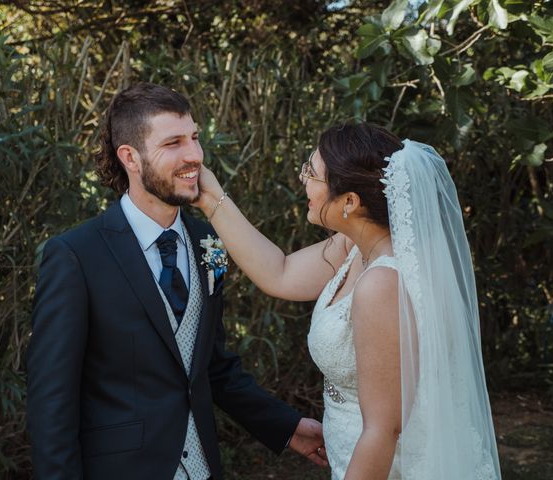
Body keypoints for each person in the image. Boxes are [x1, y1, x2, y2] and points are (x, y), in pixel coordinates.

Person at [26, 82, 327, 480]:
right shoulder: (76, 256)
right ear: (130, 157)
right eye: (173, 143)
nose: (195, 156)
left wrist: (287, 427)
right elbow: (52, 399)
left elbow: (212, 367)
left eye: (195, 138)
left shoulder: (209, 242)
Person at [194, 122, 502, 479]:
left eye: (312, 172)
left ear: (350, 202)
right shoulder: (354, 246)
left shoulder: (382, 284)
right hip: (349, 446)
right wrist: (209, 197)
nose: (301, 178)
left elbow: (383, 430)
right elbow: (278, 272)